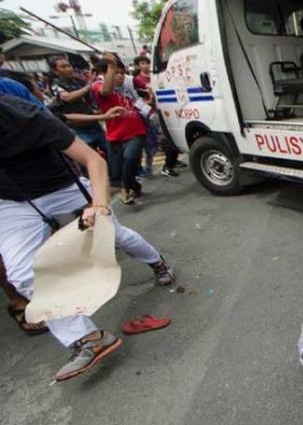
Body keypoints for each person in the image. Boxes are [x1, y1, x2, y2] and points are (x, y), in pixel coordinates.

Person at [0, 95, 175, 379]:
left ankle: (158, 262)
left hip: (61, 188)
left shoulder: (25, 115)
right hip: (11, 203)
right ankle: (89, 339)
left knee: (114, 235)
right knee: (22, 273)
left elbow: (93, 160)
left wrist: (100, 206)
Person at [90, 53, 147, 204]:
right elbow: (106, 91)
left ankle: (126, 190)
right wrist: (111, 66)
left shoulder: (126, 88)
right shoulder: (97, 86)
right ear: (105, 73)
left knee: (129, 159)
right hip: (115, 135)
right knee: (116, 172)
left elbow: (140, 105)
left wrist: (150, 108)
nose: (120, 76)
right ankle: (133, 187)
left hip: (136, 131)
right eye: (116, 73)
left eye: (122, 73)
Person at [47, 55, 108, 155]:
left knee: (111, 154)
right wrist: (88, 86)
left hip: (94, 124)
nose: (68, 68)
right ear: (55, 71)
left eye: (69, 65)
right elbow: (67, 97)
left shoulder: (78, 81)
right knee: (89, 160)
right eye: (64, 67)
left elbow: (89, 99)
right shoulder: (55, 85)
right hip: (78, 129)